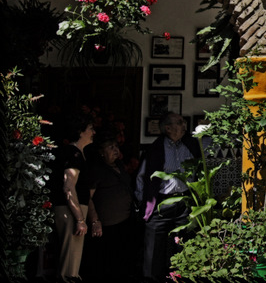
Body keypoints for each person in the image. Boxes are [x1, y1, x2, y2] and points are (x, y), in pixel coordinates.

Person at [135, 113, 201, 281]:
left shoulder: (191, 144)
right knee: (153, 249)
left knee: (183, 245)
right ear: (168, 128)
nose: (184, 124)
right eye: (179, 122)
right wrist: (143, 202)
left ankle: (180, 277)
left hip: (184, 202)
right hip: (160, 203)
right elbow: (141, 178)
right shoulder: (155, 148)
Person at [82, 134, 136, 279]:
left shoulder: (118, 165)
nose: (115, 150)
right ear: (101, 152)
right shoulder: (96, 170)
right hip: (105, 226)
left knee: (121, 261)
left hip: (123, 221)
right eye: (111, 147)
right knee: (105, 263)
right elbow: (88, 197)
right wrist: (95, 221)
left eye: (116, 146)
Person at [49, 114, 95, 281]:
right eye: (90, 129)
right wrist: (79, 219)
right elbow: (68, 186)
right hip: (71, 210)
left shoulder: (79, 153)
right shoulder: (72, 153)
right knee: (70, 261)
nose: (93, 132)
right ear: (80, 132)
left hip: (75, 209)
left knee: (73, 258)